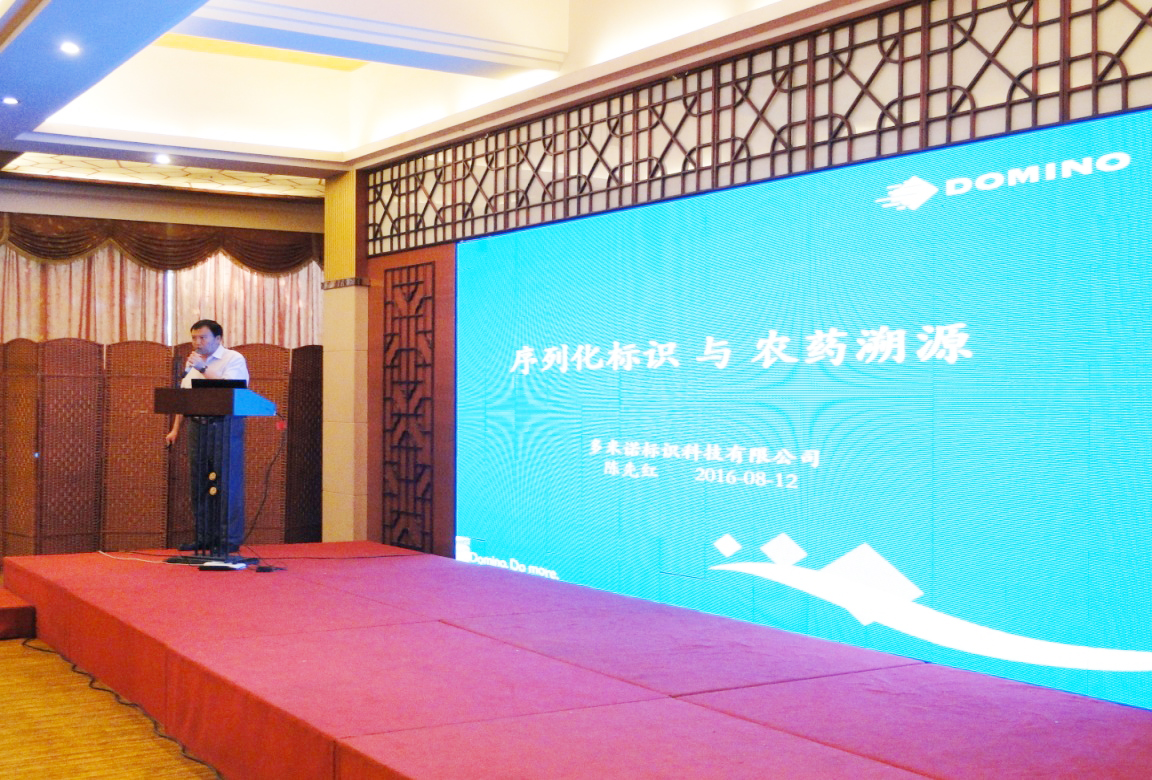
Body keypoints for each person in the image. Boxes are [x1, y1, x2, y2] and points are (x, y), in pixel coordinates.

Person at [165, 320, 250, 553]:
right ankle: (203, 537)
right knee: (200, 482)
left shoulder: (233, 359)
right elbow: (186, 399)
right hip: (197, 426)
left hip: (225, 426)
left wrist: (203, 368)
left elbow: (230, 389)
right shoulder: (193, 362)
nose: (197, 342)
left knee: (226, 482)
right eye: (194, 338)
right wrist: (175, 429)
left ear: (218, 339)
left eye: (202, 337)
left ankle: (228, 539)